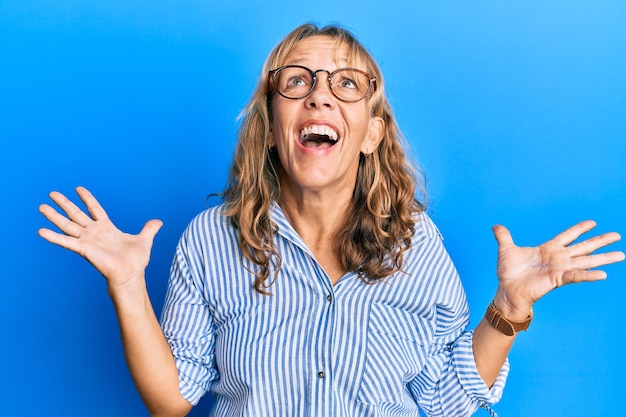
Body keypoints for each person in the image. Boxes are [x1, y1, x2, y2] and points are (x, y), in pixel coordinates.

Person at [38, 24, 624, 417]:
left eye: (346, 84)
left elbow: (446, 403)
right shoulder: (210, 240)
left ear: (371, 131)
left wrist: (510, 308)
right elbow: (173, 401)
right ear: (271, 126)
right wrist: (127, 287)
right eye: (297, 81)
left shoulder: (417, 248)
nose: (320, 96)